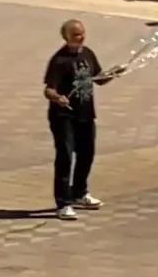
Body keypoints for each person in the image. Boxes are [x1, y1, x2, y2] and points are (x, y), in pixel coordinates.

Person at [42, 19, 120, 219]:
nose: (81, 37)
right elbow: (49, 89)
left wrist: (114, 73)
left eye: (82, 33)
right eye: (76, 34)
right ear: (67, 37)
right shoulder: (59, 60)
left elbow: (99, 78)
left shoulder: (88, 54)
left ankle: (79, 193)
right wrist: (58, 98)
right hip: (64, 116)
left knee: (87, 155)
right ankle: (63, 203)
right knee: (65, 157)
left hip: (86, 114)